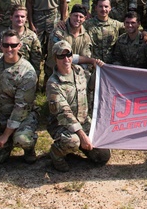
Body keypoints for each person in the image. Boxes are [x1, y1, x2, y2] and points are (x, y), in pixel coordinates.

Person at [46, 40, 110, 172]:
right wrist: (82, 136)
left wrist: (98, 71)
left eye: (68, 55)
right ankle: (56, 153)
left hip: (83, 121)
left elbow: (90, 87)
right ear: (55, 58)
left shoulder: (79, 71)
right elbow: (64, 114)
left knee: (102, 156)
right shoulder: (53, 84)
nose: (66, 59)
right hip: (62, 125)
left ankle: (81, 145)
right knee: (73, 141)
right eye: (61, 56)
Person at [0, 30, 39, 164]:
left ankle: (28, 148)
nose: (9, 49)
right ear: (1, 45)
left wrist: (5, 135)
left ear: (19, 46)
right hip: (0, 116)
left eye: (13, 45)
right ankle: (7, 143)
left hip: (21, 117)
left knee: (22, 140)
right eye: (5, 45)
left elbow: (21, 108)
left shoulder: (27, 72)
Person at [0, 6, 43, 76]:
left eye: (22, 17)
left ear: (26, 19)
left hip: (24, 73)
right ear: (11, 18)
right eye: (16, 16)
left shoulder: (32, 37)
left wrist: (35, 76)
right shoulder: (3, 35)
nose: (19, 19)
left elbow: (36, 60)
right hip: (5, 73)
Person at [47, 5, 94, 80]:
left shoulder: (85, 36)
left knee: (86, 68)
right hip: (56, 70)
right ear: (70, 15)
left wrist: (89, 61)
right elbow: (61, 56)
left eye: (81, 17)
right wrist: (91, 60)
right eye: (75, 16)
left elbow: (86, 57)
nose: (78, 19)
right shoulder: (59, 32)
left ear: (85, 19)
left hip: (74, 70)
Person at [84, 0, 123, 64]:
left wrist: (144, 33)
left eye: (106, 6)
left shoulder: (116, 24)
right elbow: (72, 26)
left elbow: (132, 28)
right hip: (94, 64)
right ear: (96, 8)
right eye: (100, 6)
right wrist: (62, 23)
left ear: (110, 8)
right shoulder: (87, 25)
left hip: (111, 65)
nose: (103, 9)